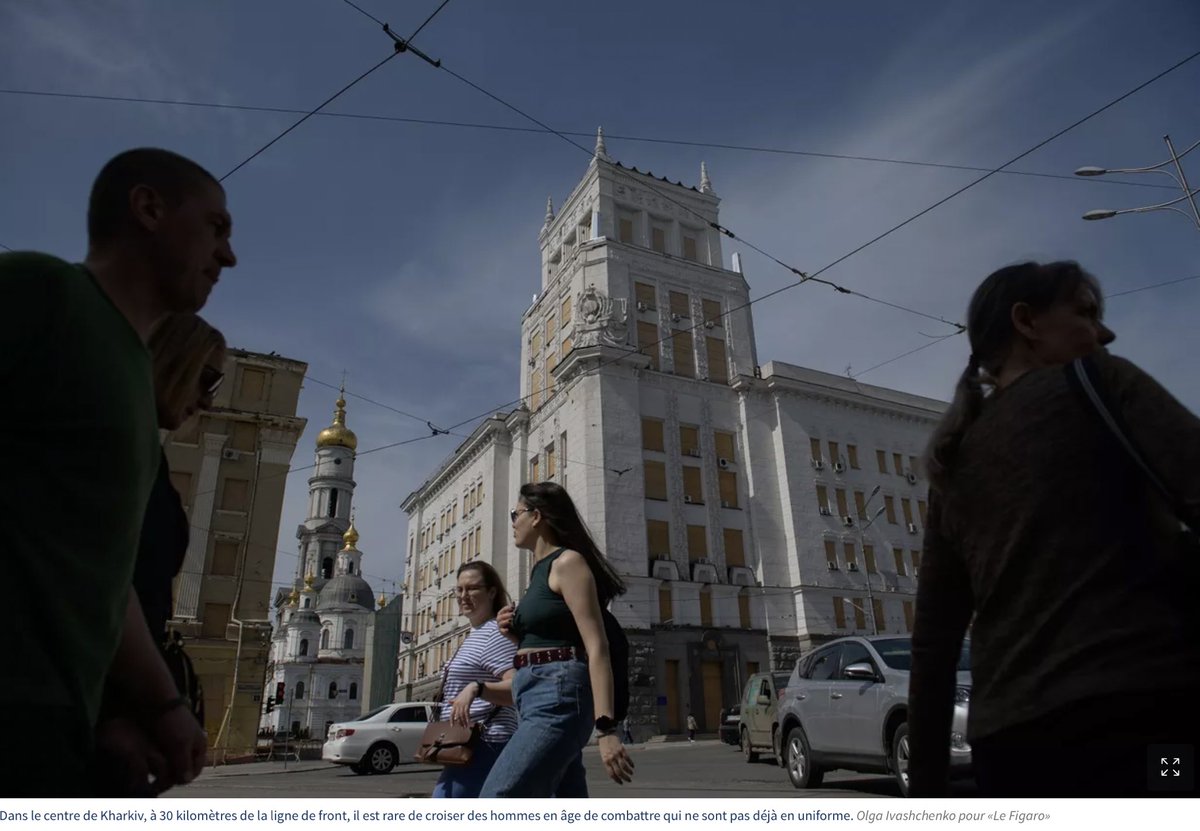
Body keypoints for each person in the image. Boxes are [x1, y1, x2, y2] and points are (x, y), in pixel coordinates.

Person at [907, 261, 1200, 797]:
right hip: (1141, 722)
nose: (1104, 333)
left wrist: (927, 796)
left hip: (1011, 749)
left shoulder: (954, 460)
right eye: (1086, 312)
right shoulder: (1101, 382)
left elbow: (933, 646)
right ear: (1028, 322)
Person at [0, 148, 234, 796]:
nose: (229, 255)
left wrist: (154, 704)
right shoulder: (41, 290)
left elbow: (106, 575)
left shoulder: (133, 382)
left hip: (60, 716)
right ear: (149, 208)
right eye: (216, 227)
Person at [91, 313, 227, 796]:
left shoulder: (145, 449)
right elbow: (100, 584)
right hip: (92, 706)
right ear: (168, 359)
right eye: (206, 377)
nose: (210, 398)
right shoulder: (106, 437)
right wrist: (155, 706)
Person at [480, 482, 636, 797]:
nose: (513, 522)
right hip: (534, 693)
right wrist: (515, 633)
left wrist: (606, 728)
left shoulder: (567, 563)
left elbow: (597, 646)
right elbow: (552, 636)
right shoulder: (538, 571)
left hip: (558, 694)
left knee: (498, 797)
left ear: (536, 516)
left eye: (516, 513)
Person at [431, 560, 519, 799]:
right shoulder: (475, 634)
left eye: (471, 588)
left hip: (487, 741)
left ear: (491, 592)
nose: (463, 595)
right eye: (459, 590)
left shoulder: (495, 635)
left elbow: (517, 688)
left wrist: (476, 688)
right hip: (464, 742)